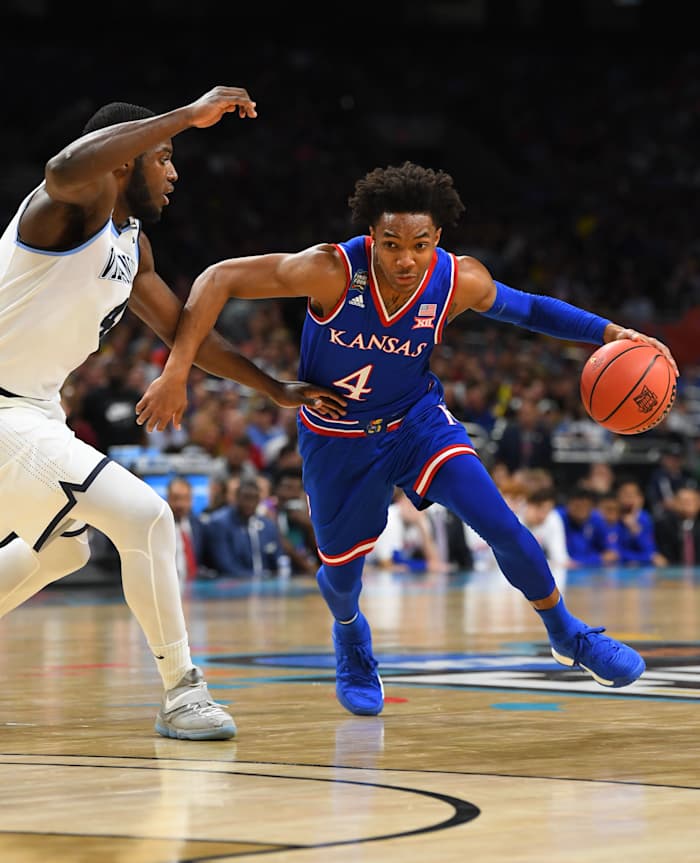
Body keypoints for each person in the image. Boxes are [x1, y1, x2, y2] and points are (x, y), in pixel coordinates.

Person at [136, 160, 679, 716]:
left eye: (419, 244)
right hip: (338, 438)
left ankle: (567, 632)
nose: (405, 258)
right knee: (341, 576)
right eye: (391, 243)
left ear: (437, 238)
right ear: (371, 234)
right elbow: (217, 278)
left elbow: (533, 309)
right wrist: (178, 372)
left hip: (416, 424)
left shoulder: (456, 279)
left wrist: (610, 332)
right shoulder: (329, 271)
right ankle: (350, 637)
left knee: (503, 526)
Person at [0, 85, 346, 739]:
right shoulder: (70, 206)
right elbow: (62, 167)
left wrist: (271, 387)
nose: (175, 171)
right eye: (163, 157)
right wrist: (187, 115)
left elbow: (187, 332)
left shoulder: (132, 246)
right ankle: (183, 693)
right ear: (124, 162)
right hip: (3, 410)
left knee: (60, 554)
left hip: (31, 413)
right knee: (147, 515)